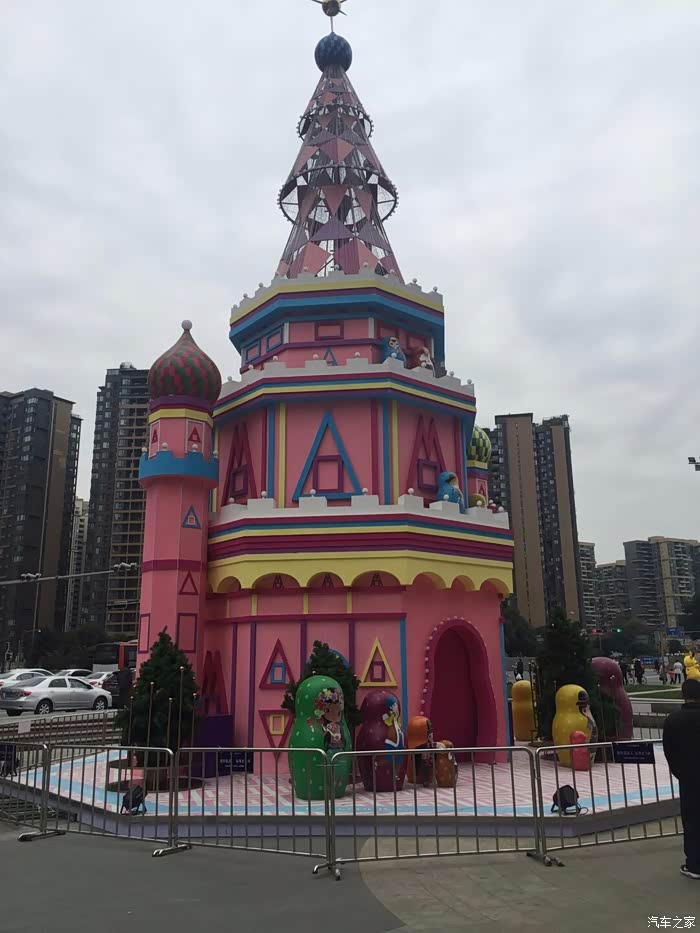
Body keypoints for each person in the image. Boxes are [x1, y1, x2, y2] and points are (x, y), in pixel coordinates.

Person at [662, 679, 700, 879]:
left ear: (682, 695)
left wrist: (680, 773)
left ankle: (695, 864)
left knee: (692, 820)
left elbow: (669, 750)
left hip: (689, 777)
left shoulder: (674, 720)